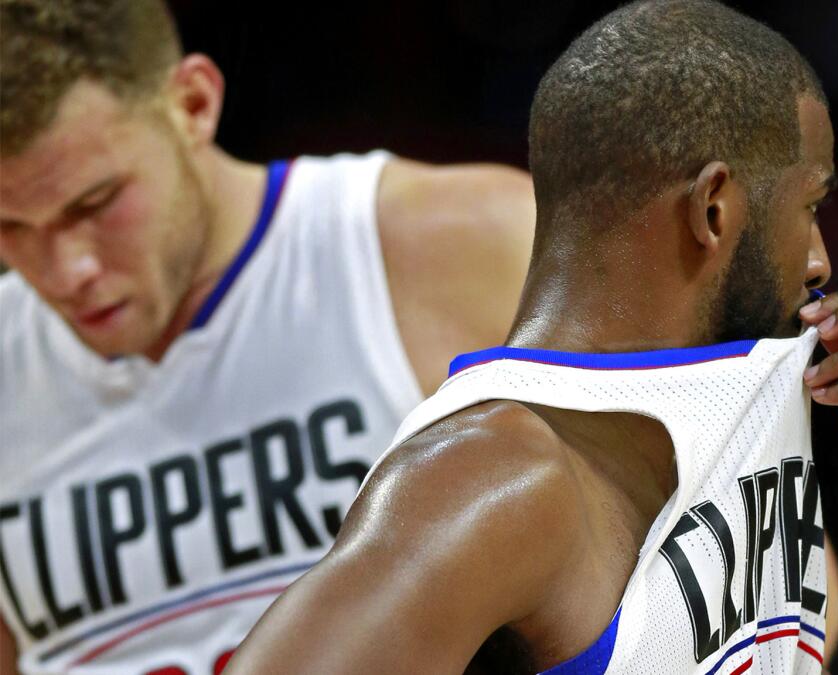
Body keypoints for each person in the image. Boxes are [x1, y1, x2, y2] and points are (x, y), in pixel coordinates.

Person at [231, 1, 838, 674]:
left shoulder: (741, 410)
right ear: (714, 210)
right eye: (809, 205)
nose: (820, 259)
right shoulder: (495, 477)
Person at [0, 0, 537, 672]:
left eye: (96, 202)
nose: (67, 270)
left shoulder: (465, 245)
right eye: (12, 227)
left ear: (193, 103)